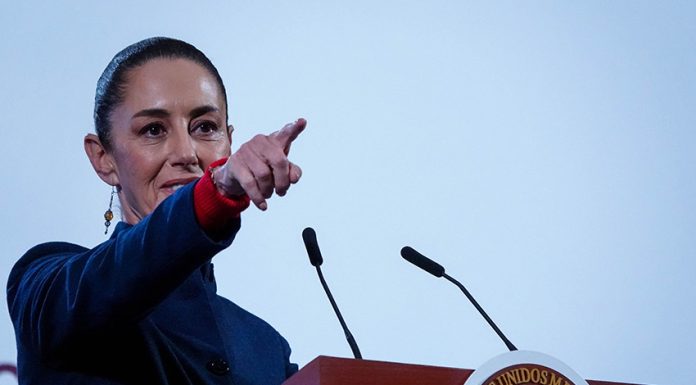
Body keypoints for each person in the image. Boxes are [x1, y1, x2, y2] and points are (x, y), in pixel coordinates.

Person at [6, 37, 304, 385]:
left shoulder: (266, 347)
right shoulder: (48, 287)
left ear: (229, 140)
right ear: (103, 158)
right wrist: (215, 191)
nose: (186, 153)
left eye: (205, 127)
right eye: (153, 130)